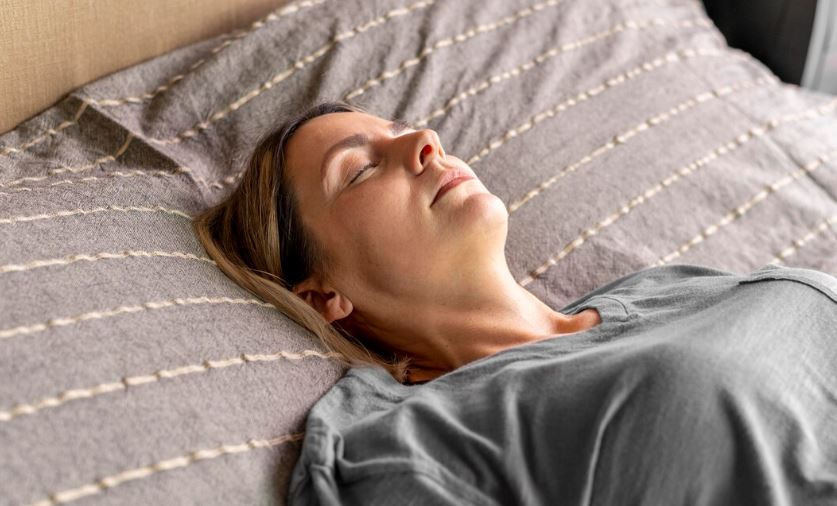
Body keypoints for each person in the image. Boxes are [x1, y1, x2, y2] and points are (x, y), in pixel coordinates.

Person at [193, 101, 837, 505]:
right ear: (324, 294)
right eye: (361, 169)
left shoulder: (666, 288)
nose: (425, 140)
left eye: (400, 129)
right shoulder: (401, 442)